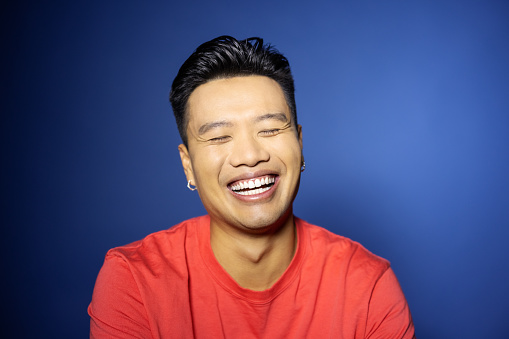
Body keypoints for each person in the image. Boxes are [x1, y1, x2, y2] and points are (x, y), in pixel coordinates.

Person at [88, 35, 415, 338]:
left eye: (271, 129)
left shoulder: (367, 286)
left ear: (300, 144)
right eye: (218, 137)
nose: (250, 156)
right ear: (187, 164)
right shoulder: (134, 281)